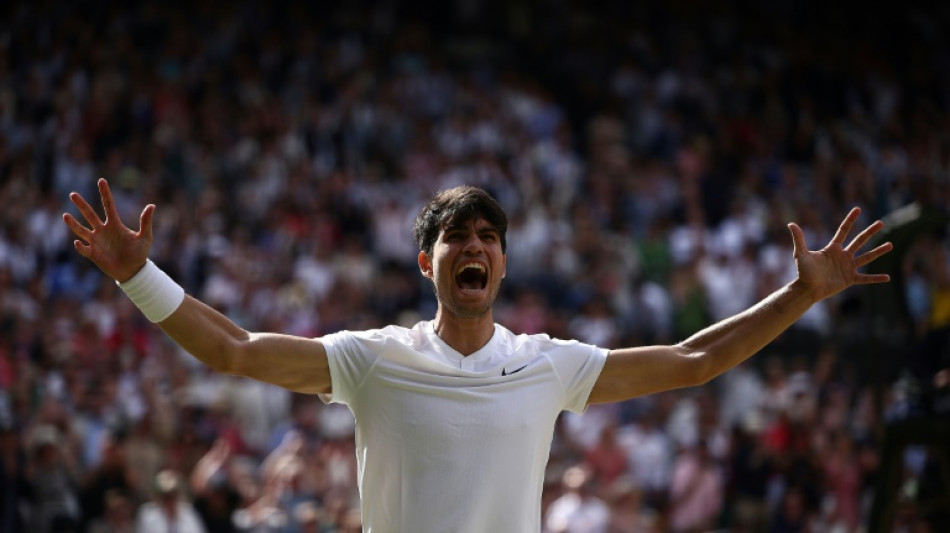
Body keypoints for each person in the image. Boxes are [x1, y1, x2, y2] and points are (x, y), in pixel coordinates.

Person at [64, 179, 893, 532]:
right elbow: (236, 350)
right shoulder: (371, 358)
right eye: (457, 235)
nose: (475, 246)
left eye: (489, 237)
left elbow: (693, 357)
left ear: (502, 263)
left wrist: (801, 295)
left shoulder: (548, 362)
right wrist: (138, 273)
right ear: (426, 262)